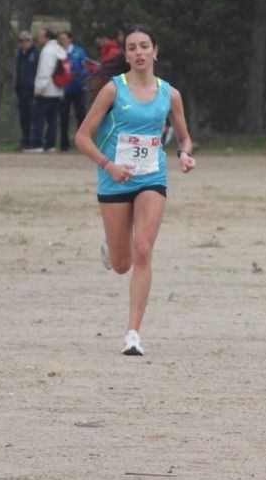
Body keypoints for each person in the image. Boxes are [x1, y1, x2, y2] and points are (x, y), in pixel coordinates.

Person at [73, 25, 196, 357]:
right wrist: (108, 164)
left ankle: (132, 333)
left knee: (143, 248)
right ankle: (112, 247)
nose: (139, 52)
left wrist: (184, 153)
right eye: (132, 48)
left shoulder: (170, 94)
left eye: (145, 46)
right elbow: (82, 137)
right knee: (122, 263)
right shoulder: (114, 90)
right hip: (113, 179)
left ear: (156, 51)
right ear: (126, 55)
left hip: (151, 177)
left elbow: (184, 137)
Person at [34, 28, 68, 153]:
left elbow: (45, 71)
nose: (39, 39)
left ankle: (38, 143)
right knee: (53, 119)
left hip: (47, 90)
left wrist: (39, 88)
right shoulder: (59, 50)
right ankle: (50, 144)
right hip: (58, 90)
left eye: (41, 36)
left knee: (40, 118)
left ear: (47, 37)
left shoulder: (47, 51)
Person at [57, 30, 90, 153]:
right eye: (60, 39)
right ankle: (63, 145)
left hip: (78, 87)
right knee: (63, 116)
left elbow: (85, 67)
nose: (62, 41)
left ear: (70, 39)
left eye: (64, 38)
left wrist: (80, 75)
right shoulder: (58, 52)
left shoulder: (78, 51)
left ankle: (82, 143)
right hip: (64, 88)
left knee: (80, 115)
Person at [13, 30, 40, 152]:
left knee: (33, 117)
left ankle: (34, 142)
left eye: (27, 40)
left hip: (33, 90)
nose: (24, 43)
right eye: (22, 41)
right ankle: (25, 141)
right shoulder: (20, 54)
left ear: (31, 40)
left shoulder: (36, 54)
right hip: (22, 90)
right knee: (24, 118)